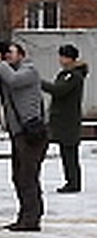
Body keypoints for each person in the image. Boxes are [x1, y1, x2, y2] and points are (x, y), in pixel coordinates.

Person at [0, 41, 48, 231]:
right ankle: (25, 217)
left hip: (32, 132)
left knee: (27, 176)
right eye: (4, 53)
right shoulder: (5, 71)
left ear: (22, 55)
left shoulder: (29, 71)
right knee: (19, 176)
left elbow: (14, 81)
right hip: (18, 133)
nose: (7, 55)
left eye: (11, 52)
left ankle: (31, 219)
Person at [42, 43, 87, 193]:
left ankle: (73, 182)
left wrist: (39, 83)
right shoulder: (67, 74)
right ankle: (72, 181)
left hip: (67, 120)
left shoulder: (73, 75)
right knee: (66, 152)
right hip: (61, 119)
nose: (60, 59)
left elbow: (59, 90)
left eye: (63, 56)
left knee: (69, 152)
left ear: (69, 58)